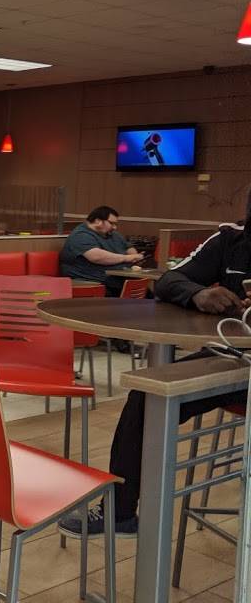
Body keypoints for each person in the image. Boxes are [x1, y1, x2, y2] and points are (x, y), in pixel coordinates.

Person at [59, 208, 251, 538]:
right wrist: (198, 294)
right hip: (236, 361)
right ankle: (119, 513)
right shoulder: (231, 239)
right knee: (147, 396)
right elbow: (168, 280)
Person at [59, 206, 143, 296]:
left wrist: (135, 257)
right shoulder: (80, 235)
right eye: (111, 223)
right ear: (97, 221)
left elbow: (128, 247)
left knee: (144, 292)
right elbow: (97, 257)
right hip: (92, 280)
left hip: (116, 279)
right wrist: (127, 258)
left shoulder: (112, 234)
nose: (115, 227)